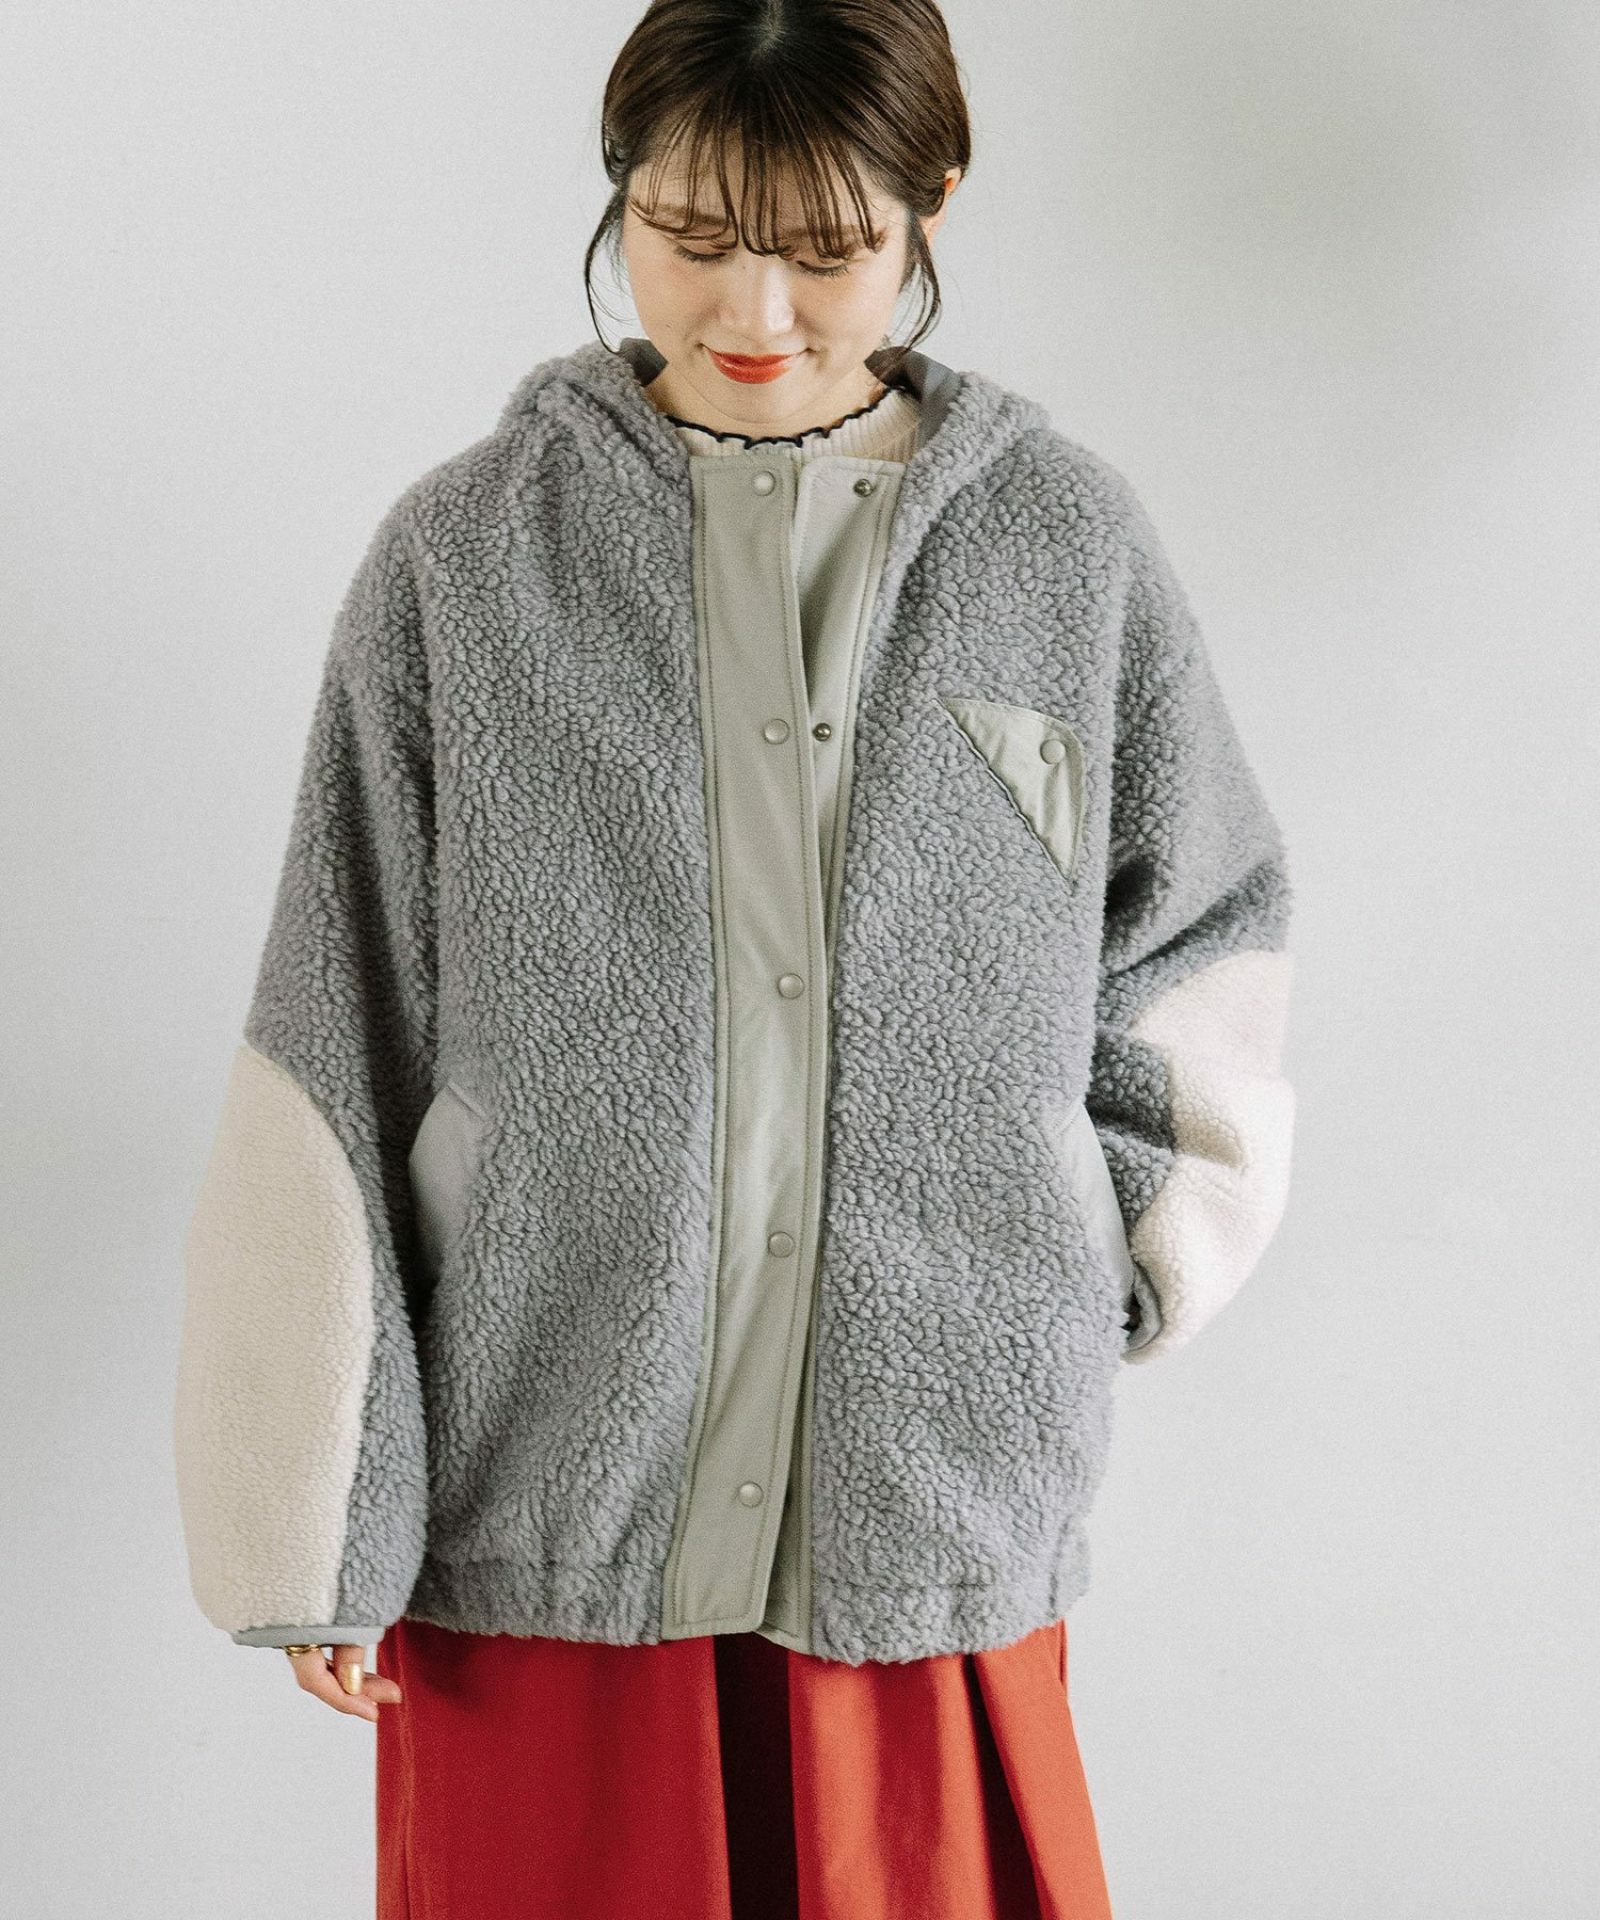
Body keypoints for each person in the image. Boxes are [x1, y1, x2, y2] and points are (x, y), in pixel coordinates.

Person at [172, 1, 1296, 1913]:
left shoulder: (1063, 547)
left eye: (828, 248)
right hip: (550, 1492)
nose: (753, 310)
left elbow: (1204, 926)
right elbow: (332, 1020)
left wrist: (1096, 1258)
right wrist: (315, 1516)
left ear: (934, 203)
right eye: (688, 235)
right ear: (619, 195)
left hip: (927, 1502)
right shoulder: (465, 559)